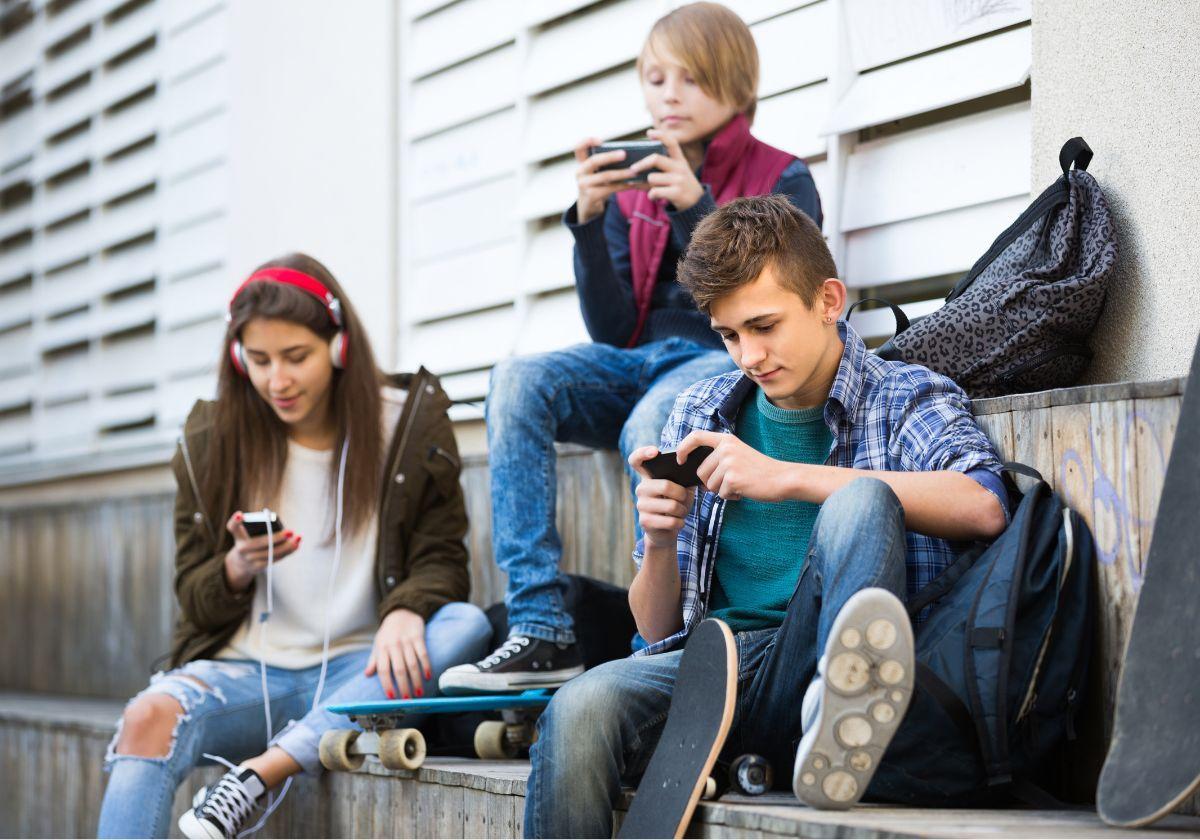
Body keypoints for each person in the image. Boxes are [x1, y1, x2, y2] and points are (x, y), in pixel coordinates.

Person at [523, 195, 1011, 837]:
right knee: (578, 708)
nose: (749, 354)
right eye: (730, 335)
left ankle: (840, 714)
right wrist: (661, 539)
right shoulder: (699, 414)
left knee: (862, 500)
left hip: (835, 673)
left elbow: (985, 506)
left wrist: (786, 478)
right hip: (713, 679)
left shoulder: (904, 396)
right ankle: (793, 741)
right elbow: (655, 624)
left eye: (764, 325)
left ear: (828, 302)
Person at [440, 1, 823, 694]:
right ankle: (542, 628)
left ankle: (661, 638)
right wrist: (588, 225)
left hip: (721, 360)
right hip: (639, 358)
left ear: (736, 87)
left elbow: (763, 308)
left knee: (657, 424)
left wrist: (694, 209)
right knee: (517, 379)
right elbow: (612, 332)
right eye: (653, 79)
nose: (667, 95)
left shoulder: (783, 177)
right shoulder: (630, 188)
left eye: (690, 79)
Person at [96, 254, 492, 839]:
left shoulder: (405, 423)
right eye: (258, 361)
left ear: (338, 347)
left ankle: (260, 774)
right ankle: (279, 756)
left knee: (462, 623)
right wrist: (234, 567)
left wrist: (408, 607)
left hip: (363, 670)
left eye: (295, 357)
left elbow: (443, 558)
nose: (276, 381)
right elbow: (192, 597)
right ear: (238, 359)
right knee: (146, 717)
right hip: (247, 677)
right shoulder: (211, 438)